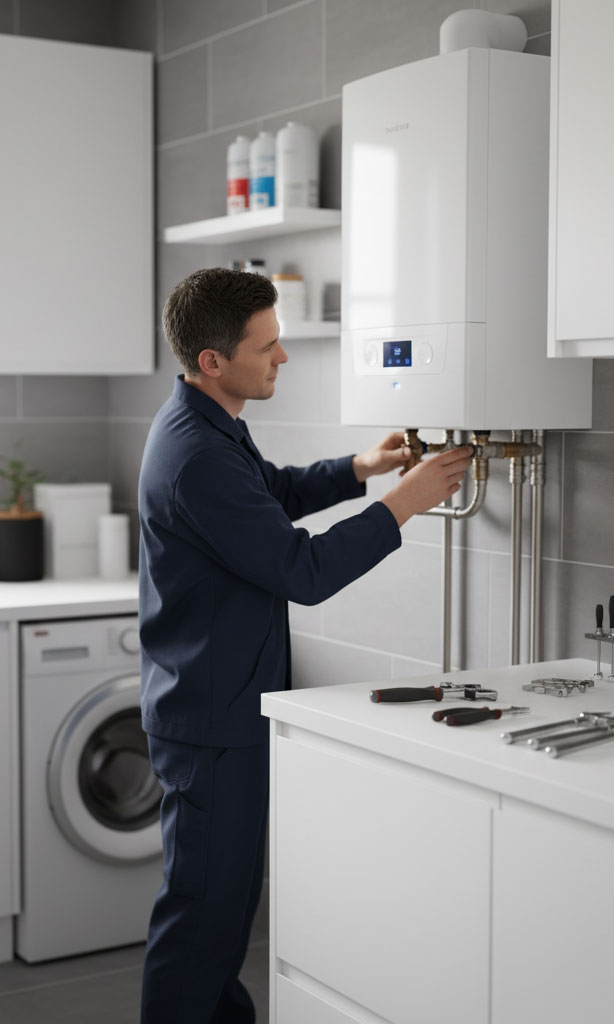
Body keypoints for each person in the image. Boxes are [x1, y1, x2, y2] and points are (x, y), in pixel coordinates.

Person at [137, 268, 472, 1023]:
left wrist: (362, 470)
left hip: (213, 707)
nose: (283, 358)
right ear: (216, 360)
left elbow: (273, 493)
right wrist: (405, 503)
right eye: (270, 346)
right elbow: (302, 570)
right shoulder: (195, 453)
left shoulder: (210, 424)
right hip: (210, 721)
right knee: (201, 921)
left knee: (217, 918)